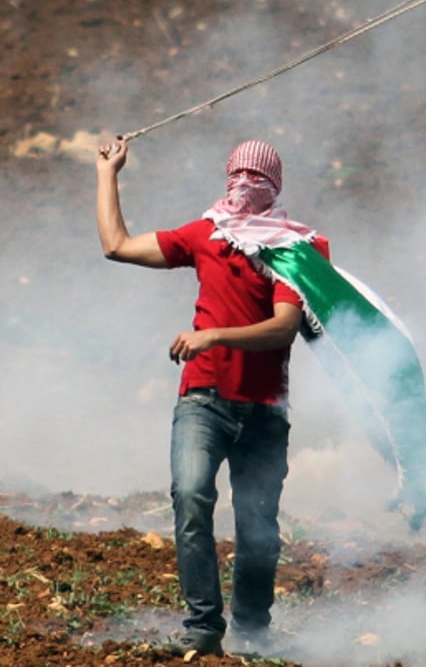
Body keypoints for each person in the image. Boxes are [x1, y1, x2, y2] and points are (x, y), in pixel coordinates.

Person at [95, 138, 328, 657]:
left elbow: (283, 329)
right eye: (238, 176)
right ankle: (203, 626)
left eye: (257, 178)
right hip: (204, 399)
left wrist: (214, 335)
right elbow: (117, 245)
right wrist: (108, 173)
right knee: (192, 498)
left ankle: (252, 631)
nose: (246, 187)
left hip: (266, 409)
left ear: (276, 187)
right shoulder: (206, 235)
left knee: (258, 527)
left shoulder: (296, 249)